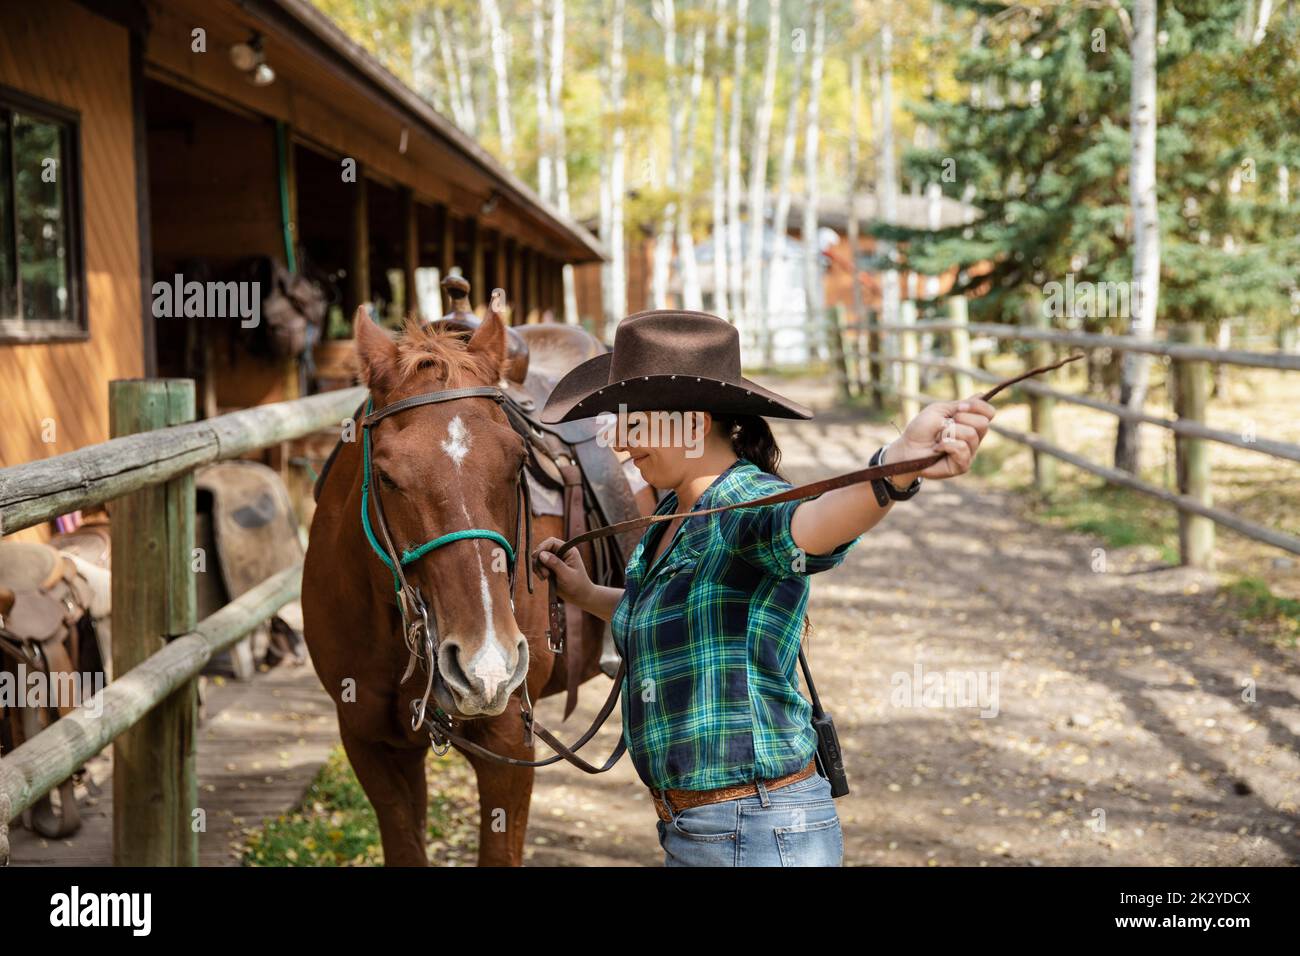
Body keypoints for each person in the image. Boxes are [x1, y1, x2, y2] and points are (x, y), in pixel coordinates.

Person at [534, 309, 994, 867]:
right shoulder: (672, 513)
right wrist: (585, 594)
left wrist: (895, 467)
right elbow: (675, 615)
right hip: (710, 827)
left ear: (693, 422)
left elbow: (816, 524)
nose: (624, 444)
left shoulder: (744, 502)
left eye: (634, 424)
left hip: (755, 828)